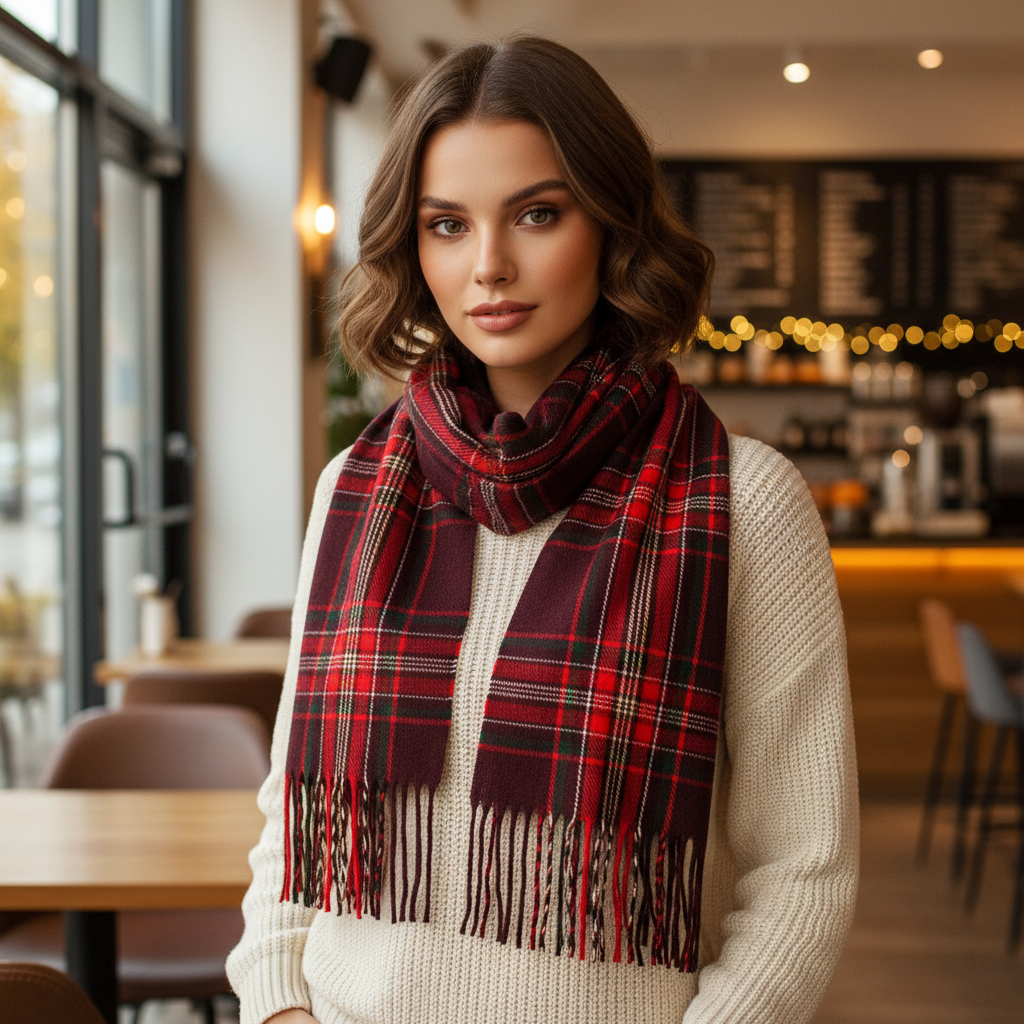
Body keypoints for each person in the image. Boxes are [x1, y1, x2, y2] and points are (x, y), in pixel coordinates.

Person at [226, 35, 858, 1024]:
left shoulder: (745, 503)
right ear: (411, 246)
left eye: (536, 213)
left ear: (611, 223)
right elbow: (294, 816)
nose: (489, 265)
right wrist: (279, 1007)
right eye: (446, 224)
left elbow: (803, 869)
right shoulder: (355, 488)